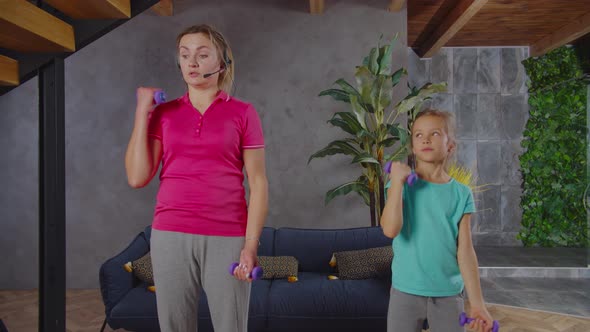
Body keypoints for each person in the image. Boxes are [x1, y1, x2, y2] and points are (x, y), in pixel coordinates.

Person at [124, 24, 268, 332]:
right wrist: (142, 112)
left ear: (221, 63)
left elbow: (258, 184)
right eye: (185, 55)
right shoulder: (165, 113)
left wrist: (250, 245)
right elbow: (137, 177)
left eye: (202, 55)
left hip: (226, 236)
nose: (192, 62)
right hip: (170, 234)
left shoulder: (243, 113)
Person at [381, 109, 494, 332]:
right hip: (405, 291)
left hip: (448, 294)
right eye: (418, 135)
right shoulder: (400, 186)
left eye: (434, 133)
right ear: (413, 147)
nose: (425, 138)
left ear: (450, 145)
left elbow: (465, 251)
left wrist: (478, 303)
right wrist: (396, 182)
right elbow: (390, 230)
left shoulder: (461, 194)